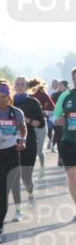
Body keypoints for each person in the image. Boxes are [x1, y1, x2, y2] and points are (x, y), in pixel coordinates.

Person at [0, 81, 27, 243]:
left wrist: (22, 141)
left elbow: (23, 128)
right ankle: (0, 217)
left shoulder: (16, 112)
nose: (1, 100)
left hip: (10, 154)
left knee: (2, 189)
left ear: (9, 97)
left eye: (4, 97)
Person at [10, 77, 45, 210]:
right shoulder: (9, 101)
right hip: (12, 142)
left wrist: (26, 120)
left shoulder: (33, 102)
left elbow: (40, 123)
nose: (19, 86)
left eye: (22, 84)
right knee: (14, 174)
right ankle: (18, 206)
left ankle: (31, 194)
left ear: (26, 86)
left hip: (29, 141)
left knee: (26, 176)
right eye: (17, 84)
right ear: (14, 86)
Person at [51, 67, 76, 208]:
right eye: (74, 78)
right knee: (72, 177)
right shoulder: (65, 96)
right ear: (72, 79)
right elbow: (54, 116)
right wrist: (57, 120)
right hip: (69, 141)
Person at [26, 78, 53, 177]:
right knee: (29, 150)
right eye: (31, 87)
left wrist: (42, 109)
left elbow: (52, 106)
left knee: (39, 150)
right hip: (28, 126)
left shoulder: (42, 94)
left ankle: (42, 167)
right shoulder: (26, 96)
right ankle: (29, 173)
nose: (34, 89)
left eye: (35, 86)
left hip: (40, 125)